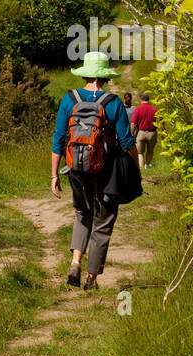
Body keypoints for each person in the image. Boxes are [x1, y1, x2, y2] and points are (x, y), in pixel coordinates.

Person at [51, 52, 139, 291]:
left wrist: (54, 174)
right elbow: (127, 141)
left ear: (86, 75)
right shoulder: (113, 103)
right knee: (103, 221)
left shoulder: (69, 99)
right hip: (106, 172)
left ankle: (75, 262)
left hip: (76, 170)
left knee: (82, 213)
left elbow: (59, 138)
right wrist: (135, 169)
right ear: (105, 78)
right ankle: (91, 279)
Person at [131, 92, 158, 169]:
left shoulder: (138, 109)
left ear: (141, 99)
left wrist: (132, 133)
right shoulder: (154, 109)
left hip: (141, 133)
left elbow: (133, 123)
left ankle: (142, 168)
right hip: (152, 133)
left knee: (140, 153)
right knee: (150, 150)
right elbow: (161, 121)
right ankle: (147, 164)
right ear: (148, 99)